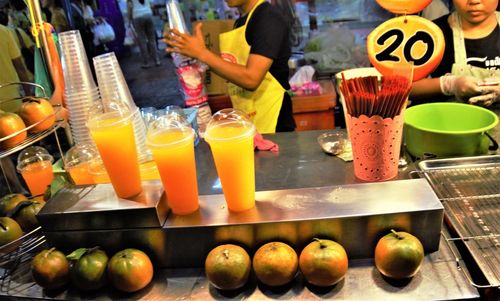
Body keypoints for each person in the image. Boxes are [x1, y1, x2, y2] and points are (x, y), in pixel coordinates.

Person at [165, 0, 296, 133]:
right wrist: (198, 56)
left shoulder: (268, 17)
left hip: (274, 123)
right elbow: (235, 71)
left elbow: (251, 78)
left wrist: (202, 53)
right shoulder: (241, 22)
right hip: (250, 121)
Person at [410, 0, 500, 107]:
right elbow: (405, 88)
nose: (474, 1)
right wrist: (449, 85)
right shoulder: (430, 35)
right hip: (446, 119)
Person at [0, 23, 33, 194]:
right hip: (13, 99)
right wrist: (29, 93)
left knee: (2, 152)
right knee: (24, 142)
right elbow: (19, 65)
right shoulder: (5, 32)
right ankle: (34, 181)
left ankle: (19, 189)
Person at [127, 0, 160, 68]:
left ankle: (146, 63)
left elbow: (130, 8)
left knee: (142, 41)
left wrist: (129, 19)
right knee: (152, 40)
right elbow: (151, 4)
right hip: (148, 15)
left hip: (137, 17)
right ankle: (157, 60)